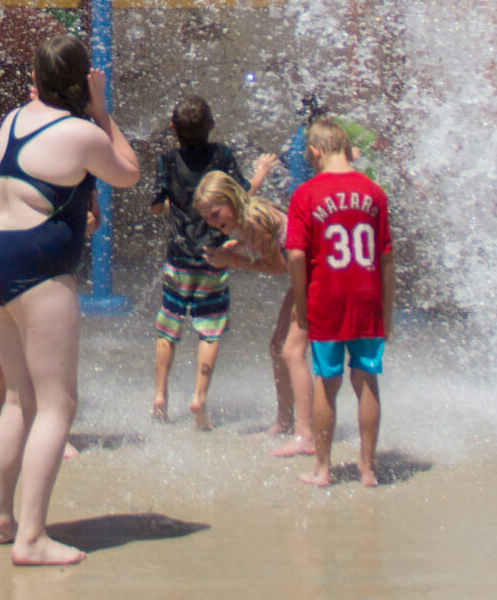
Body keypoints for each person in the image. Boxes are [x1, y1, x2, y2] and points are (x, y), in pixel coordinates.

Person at [0, 33, 139, 567]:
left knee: (20, 401)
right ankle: (32, 538)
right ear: (80, 80)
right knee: (57, 404)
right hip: (38, 267)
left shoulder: (13, 120)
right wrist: (103, 111)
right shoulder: (82, 133)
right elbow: (129, 173)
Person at [283, 115, 392, 490]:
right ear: (346, 147)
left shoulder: (306, 194)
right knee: (366, 380)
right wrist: (388, 313)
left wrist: (300, 301)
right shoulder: (374, 192)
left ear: (314, 151)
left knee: (326, 382)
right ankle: (366, 469)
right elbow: (387, 260)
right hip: (367, 297)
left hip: (326, 297)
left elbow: (296, 255)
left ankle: (323, 469)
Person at [193, 169, 313, 452]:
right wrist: (236, 246)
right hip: (305, 275)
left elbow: (278, 267)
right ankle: (284, 422)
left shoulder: (252, 221)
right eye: (208, 218)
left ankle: (304, 433)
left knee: (289, 352)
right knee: (277, 347)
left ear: (230, 200)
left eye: (216, 214)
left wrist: (233, 259)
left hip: (311, 277)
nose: (214, 222)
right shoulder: (249, 213)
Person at [150, 96, 244, 429]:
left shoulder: (167, 161)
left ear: (173, 128)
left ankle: (160, 396)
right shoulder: (223, 156)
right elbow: (241, 196)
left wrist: (171, 206)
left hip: (178, 260)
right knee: (209, 331)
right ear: (212, 125)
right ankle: (198, 398)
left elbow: (157, 206)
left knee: (169, 326)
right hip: (214, 259)